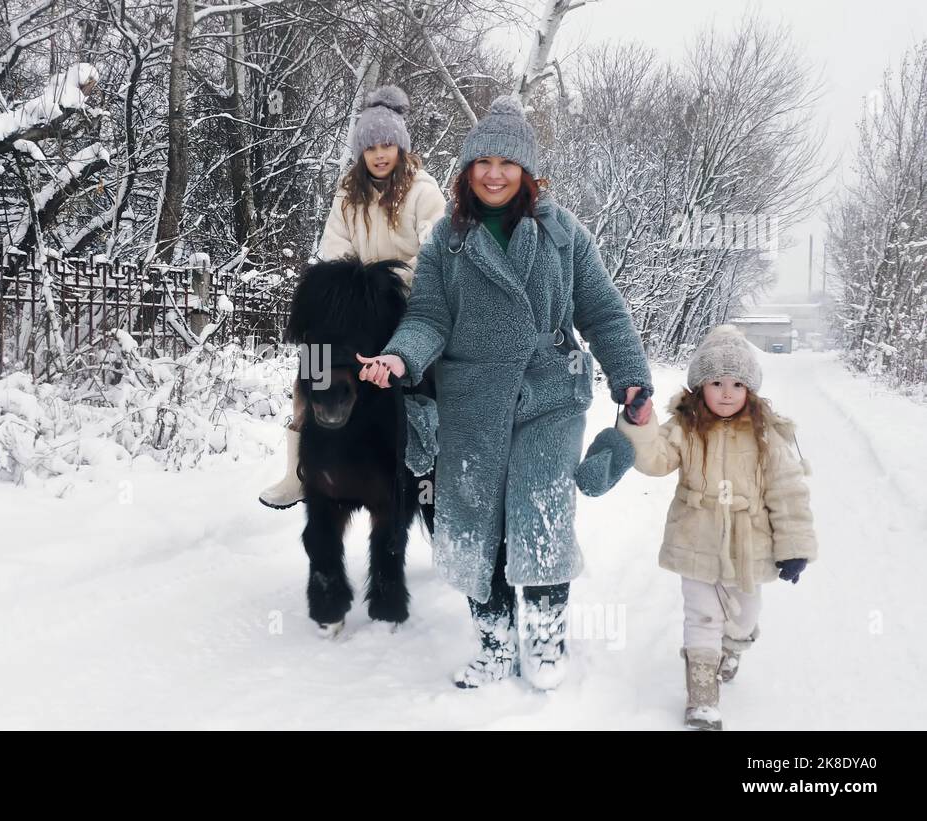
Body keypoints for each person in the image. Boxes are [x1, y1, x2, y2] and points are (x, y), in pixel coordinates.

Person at [357, 95, 653, 690]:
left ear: (526, 172)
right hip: (471, 400)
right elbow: (429, 319)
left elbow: (603, 311)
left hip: (550, 393)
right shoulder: (447, 239)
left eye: (507, 163)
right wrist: (399, 356)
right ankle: (494, 644)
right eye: (483, 161)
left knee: (540, 515)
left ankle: (545, 642)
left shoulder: (563, 232)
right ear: (467, 170)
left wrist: (630, 376)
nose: (494, 173)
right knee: (473, 525)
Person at [617, 324, 817, 730]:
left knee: (743, 616)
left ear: (751, 390)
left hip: (749, 545)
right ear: (699, 387)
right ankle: (702, 698)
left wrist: (793, 546)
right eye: (717, 382)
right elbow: (654, 461)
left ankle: (733, 647)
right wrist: (641, 424)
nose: (727, 392)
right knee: (702, 616)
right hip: (697, 539)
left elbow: (788, 491)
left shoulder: (766, 435)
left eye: (738, 383)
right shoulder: (686, 428)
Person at [259, 85, 445, 509]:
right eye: (371, 147)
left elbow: (435, 257)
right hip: (359, 312)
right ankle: (301, 469)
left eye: (387, 145)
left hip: (409, 309)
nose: (380, 154)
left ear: (400, 147)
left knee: (427, 377)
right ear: (361, 152)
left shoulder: (423, 192)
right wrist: (343, 297)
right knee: (316, 360)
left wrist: (389, 286)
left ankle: (427, 472)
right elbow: (332, 255)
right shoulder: (348, 195)